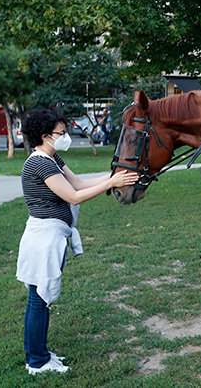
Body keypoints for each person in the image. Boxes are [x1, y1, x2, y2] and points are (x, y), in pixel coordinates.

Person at [15, 108, 138, 375]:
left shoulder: (52, 158)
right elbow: (74, 196)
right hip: (43, 239)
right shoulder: (39, 163)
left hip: (52, 237)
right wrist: (111, 182)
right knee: (38, 299)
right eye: (61, 133)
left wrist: (119, 175)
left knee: (40, 299)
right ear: (45, 135)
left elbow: (80, 184)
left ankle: (38, 354)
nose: (66, 136)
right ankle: (36, 361)